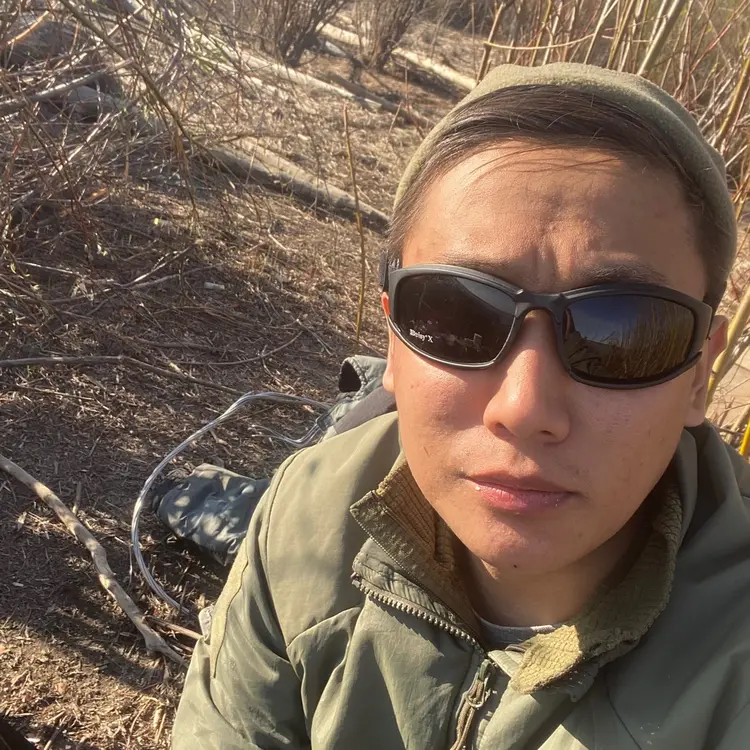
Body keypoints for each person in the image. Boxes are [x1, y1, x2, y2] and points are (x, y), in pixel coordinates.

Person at [172, 63, 750, 749]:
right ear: (393, 342)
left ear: (699, 373)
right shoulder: (309, 522)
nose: (524, 407)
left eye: (621, 330)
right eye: (458, 314)